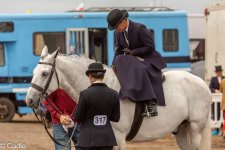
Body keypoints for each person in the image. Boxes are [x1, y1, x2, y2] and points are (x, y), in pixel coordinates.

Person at [106, 8, 167, 117]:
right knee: (119, 60)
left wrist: (133, 52)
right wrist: (113, 64)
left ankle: (151, 102)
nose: (116, 29)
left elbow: (150, 47)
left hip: (148, 58)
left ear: (123, 21)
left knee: (140, 69)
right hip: (135, 60)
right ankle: (129, 92)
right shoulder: (119, 33)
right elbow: (118, 50)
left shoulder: (140, 28)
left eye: (116, 26)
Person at [75, 62, 120, 150]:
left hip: (87, 140)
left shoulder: (84, 94)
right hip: (107, 140)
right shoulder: (114, 94)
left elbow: (78, 118)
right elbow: (116, 118)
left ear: (90, 77)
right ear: (103, 77)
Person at [209, 65, 225, 135]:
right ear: (216, 72)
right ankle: (217, 129)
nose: (219, 73)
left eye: (220, 72)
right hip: (216, 99)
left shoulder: (224, 78)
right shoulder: (213, 79)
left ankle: (222, 129)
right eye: (218, 72)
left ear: (221, 72)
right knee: (216, 114)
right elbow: (210, 88)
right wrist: (215, 90)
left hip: (222, 99)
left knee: (223, 115)